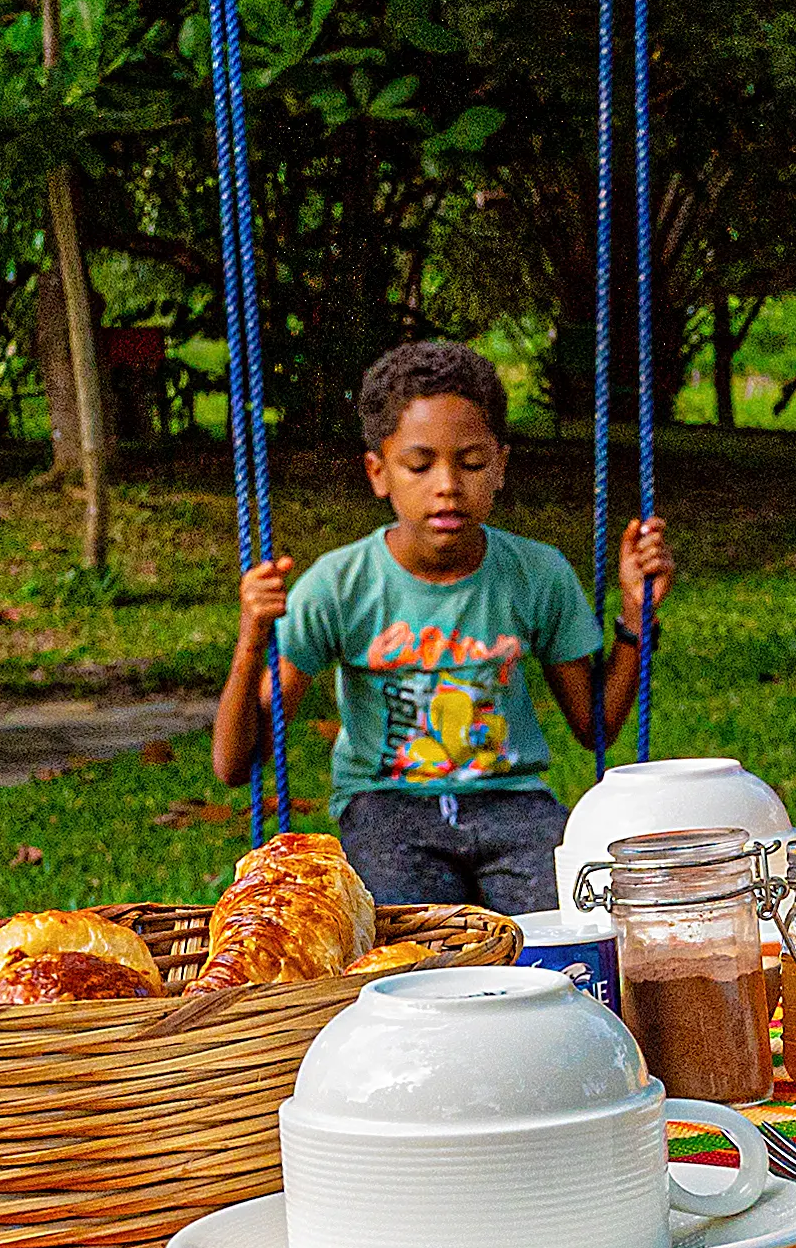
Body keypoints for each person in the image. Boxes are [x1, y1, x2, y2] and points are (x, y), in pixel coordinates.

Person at [209, 338, 681, 914]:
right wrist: (251, 640)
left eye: (472, 463)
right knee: (412, 938)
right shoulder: (339, 585)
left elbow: (597, 727)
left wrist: (635, 614)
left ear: (501, 465)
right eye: (419, 464)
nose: (448, 485)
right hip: (387, 808)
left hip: (515, 804)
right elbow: (235, 764)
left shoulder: (537, 574)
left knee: (574, 918)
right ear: (379, 473)